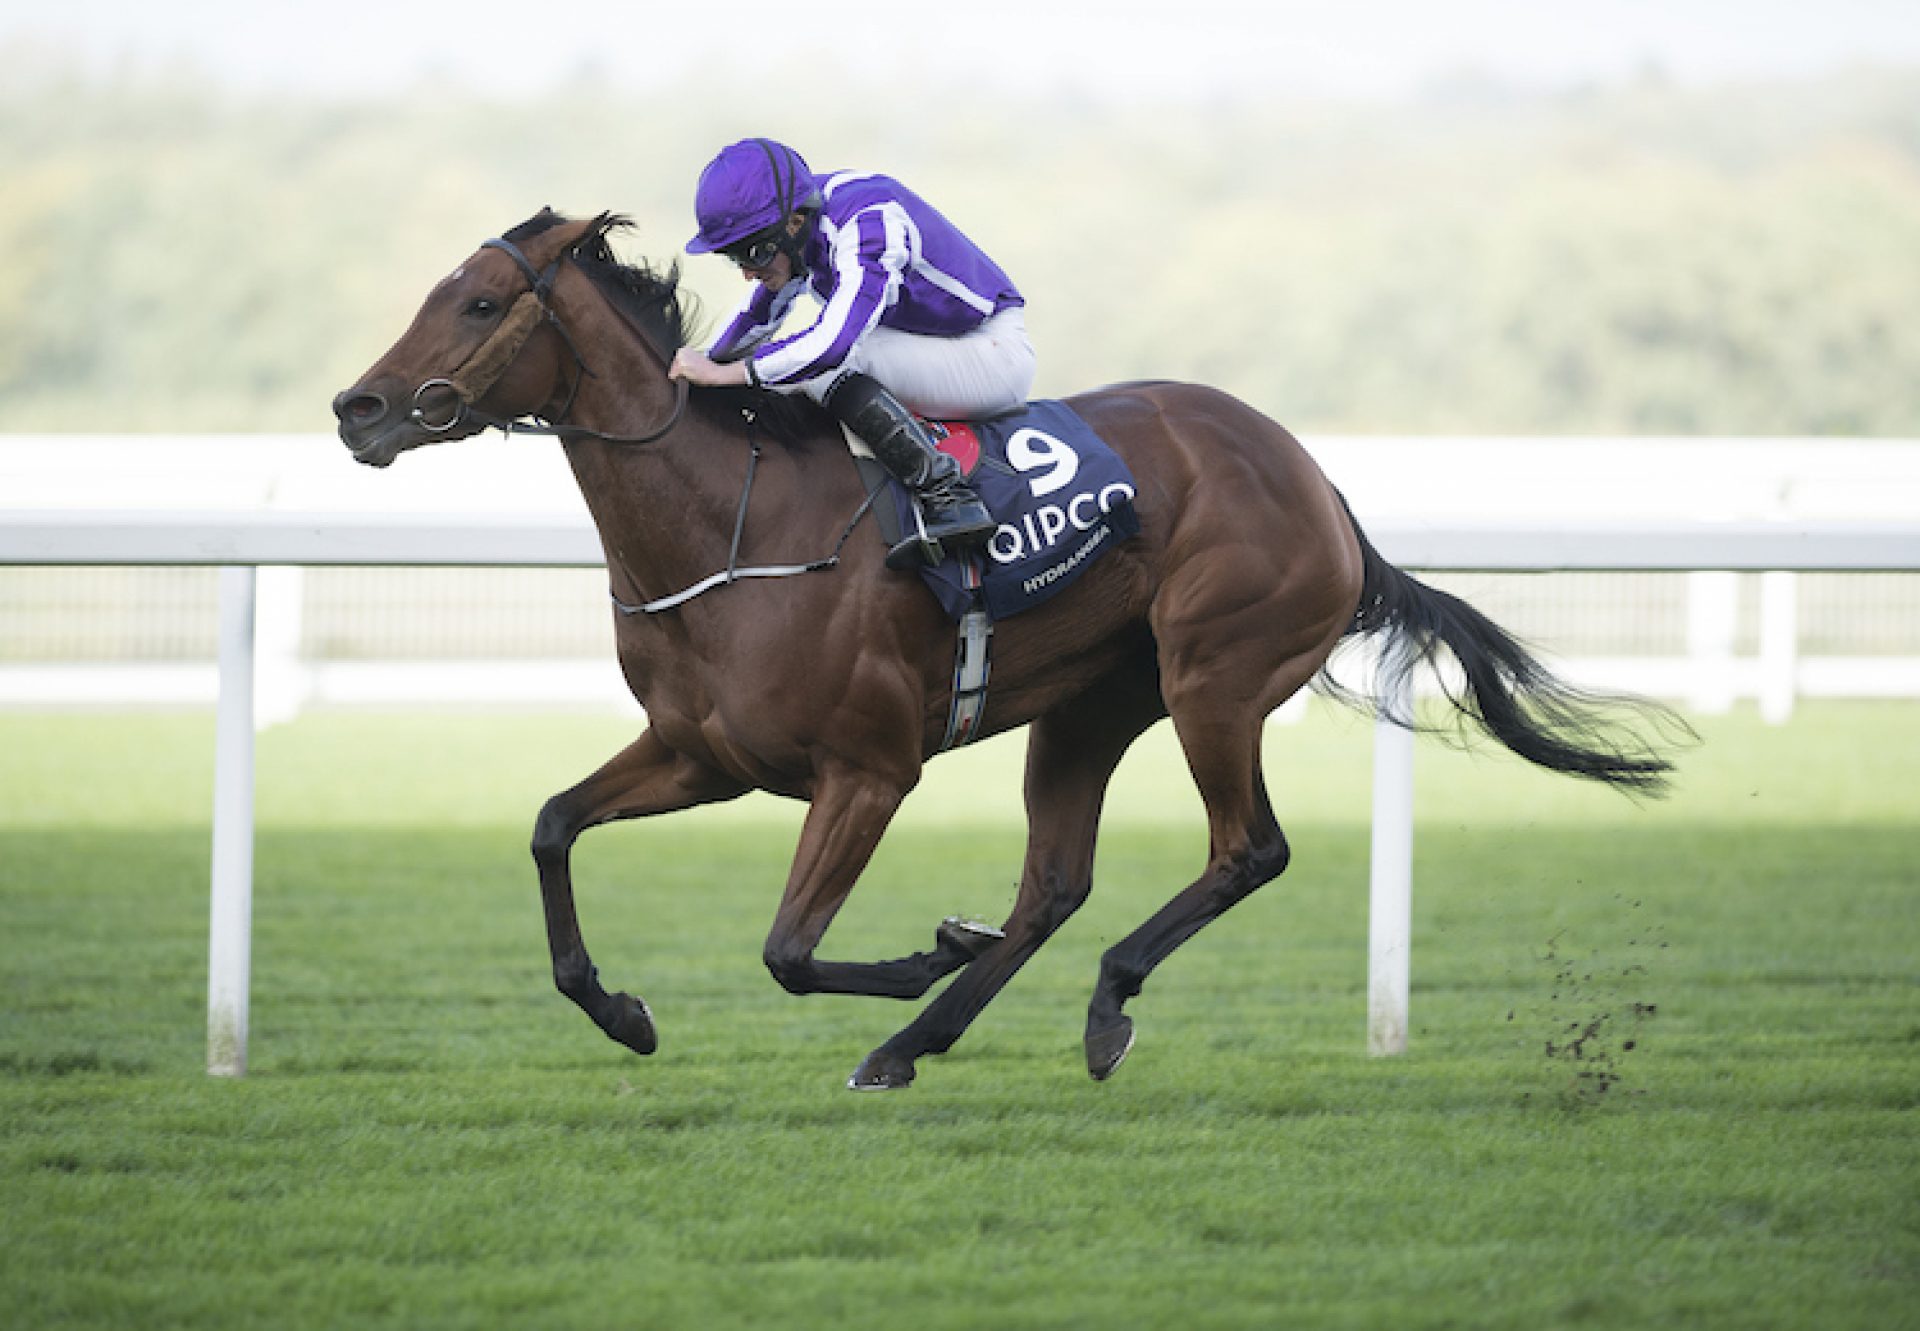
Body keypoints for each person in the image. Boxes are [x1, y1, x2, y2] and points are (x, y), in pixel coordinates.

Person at [669, 138, 1035, 569]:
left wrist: (729, 375)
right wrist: (703, 364)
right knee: (799, 365)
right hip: (934, 345)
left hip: (992, 352)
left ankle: (949, 498)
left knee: (829, 363)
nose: (748, 271)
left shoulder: (868, 221)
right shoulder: (802, 227)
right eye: (735, 258)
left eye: (753, 252)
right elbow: (757, 320)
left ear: (793, 223)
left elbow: (833, 345)